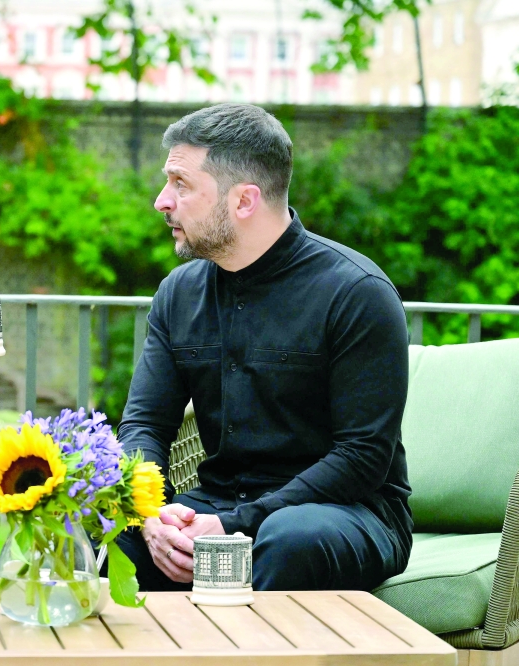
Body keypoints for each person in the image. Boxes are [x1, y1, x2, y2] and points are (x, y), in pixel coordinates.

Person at [116, 103, 412, 592]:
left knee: (287, 537)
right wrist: (146, 511)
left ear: (244, 201)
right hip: (216, 503)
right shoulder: (178, 293)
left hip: (348, 513)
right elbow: (144, 424)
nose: (161, 201)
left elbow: (362, 458)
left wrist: (236, 526)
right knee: (90, 528)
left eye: (181, 184)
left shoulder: (357, 293)